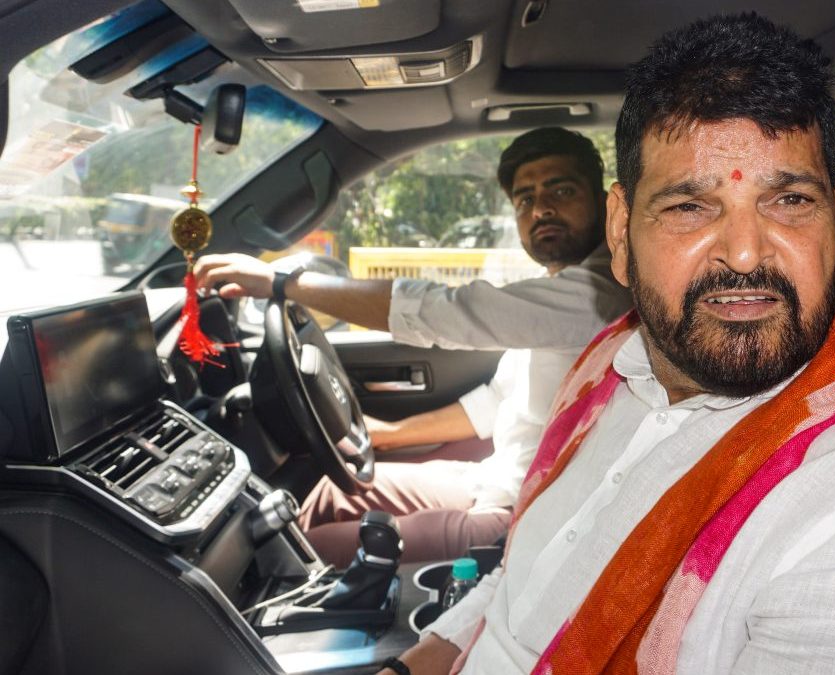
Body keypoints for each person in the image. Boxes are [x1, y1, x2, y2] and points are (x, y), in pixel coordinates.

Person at [382, 13, 835, 675]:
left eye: (789, 200)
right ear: (621, 230)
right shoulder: (613, 368)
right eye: (690, 206)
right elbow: (529, 583)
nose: (746, 253)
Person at [194, 127, 631, 565]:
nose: (541, 209)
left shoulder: (599, 296)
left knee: (299, 553)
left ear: (606, 203)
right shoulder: (553, 290)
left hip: (529, 514)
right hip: (494, 478)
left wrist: (284, 284)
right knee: (327, 495)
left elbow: (446, 312)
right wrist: (387, 435)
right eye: (524, 200)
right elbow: (497, 402)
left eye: (562, 189)